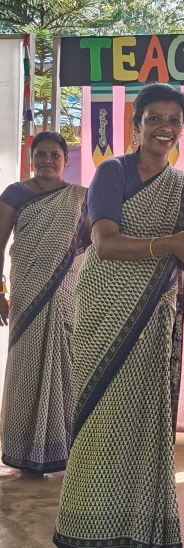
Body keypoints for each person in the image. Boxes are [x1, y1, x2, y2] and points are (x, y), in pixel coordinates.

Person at [53, 82, 184, 548]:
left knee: (141, 418)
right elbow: (105, 242)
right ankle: (86, 524)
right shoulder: (112, 172)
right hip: (104, 308)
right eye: (154, 118)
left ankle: (137, 525)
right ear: (136, 124)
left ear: (182, 127)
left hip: (153, 315)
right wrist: (172, 245)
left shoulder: (181, 187)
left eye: (174, 120)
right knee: (100, 416)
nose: (164, 127)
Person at [0, 131, 90, 473]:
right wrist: (0, 292)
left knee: (65, 366)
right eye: (41, 154)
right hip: (26, 293)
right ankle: (23, 449)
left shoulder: (80, 197)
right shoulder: (15, 194)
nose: (48, 160)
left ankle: (62, 447)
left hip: (66, 294)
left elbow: (95, 243)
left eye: (55, 155)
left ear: (66, 160)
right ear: (31, 158)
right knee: (25, 366)